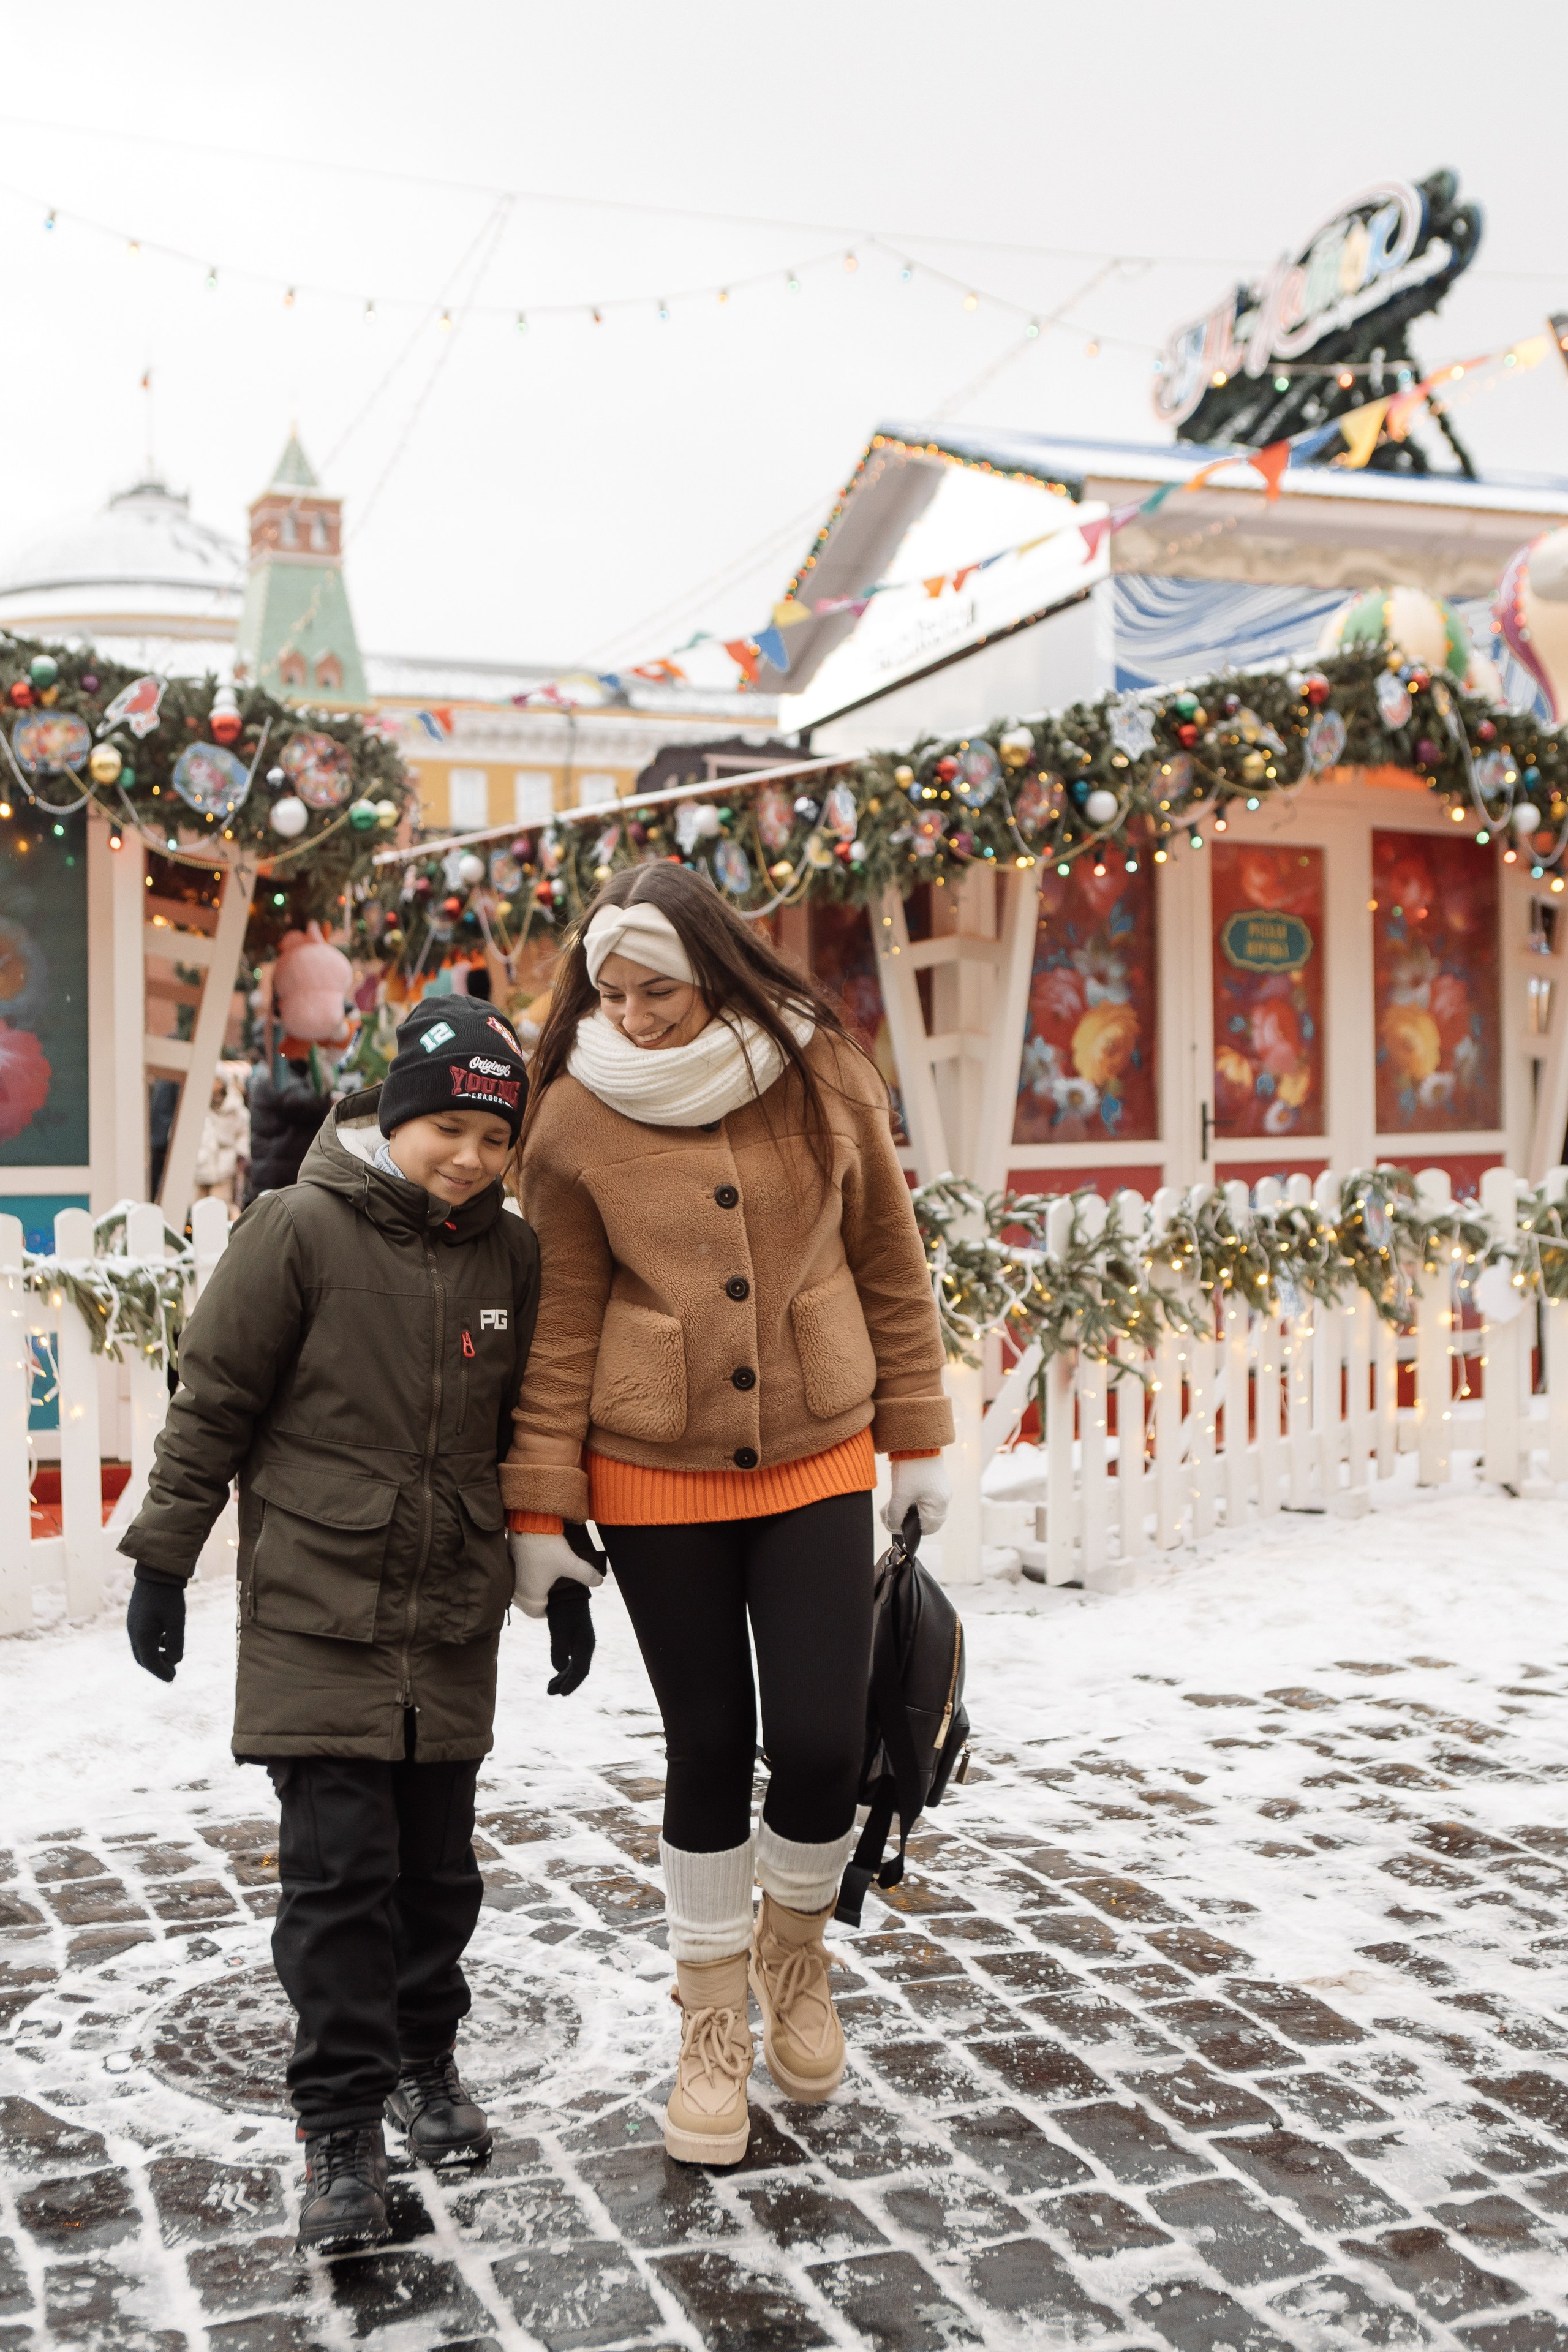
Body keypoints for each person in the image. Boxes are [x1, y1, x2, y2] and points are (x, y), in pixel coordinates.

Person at [118, 998, 584, 2255]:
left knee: (437, 1875)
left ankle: (424, 2063)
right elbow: (213, 1399)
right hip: (317, 1615)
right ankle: (339, 2129)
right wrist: (163, 1560)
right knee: (338, 1883)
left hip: (449, 1617)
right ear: (396, 1113)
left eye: (495, 1138)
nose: (470, 1159)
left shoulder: (511, 1256)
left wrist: (560, 1574)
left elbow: (531, 1429)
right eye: (447, 1129)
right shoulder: (297, 1228)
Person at [505, 864, 953, 2165]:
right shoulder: (572, 1114)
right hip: (653, 1465)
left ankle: (792, 1956)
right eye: (610, 994)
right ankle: (708, 2025)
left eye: (656, 992)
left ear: (714, 968)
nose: (631, 1017)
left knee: (819, 1742)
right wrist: (540, 1504)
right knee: (707, 1742)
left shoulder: (825, 1077)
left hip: (817, 1449)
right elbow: (561, 1323)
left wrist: (918, 1435)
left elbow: (889, 1260)